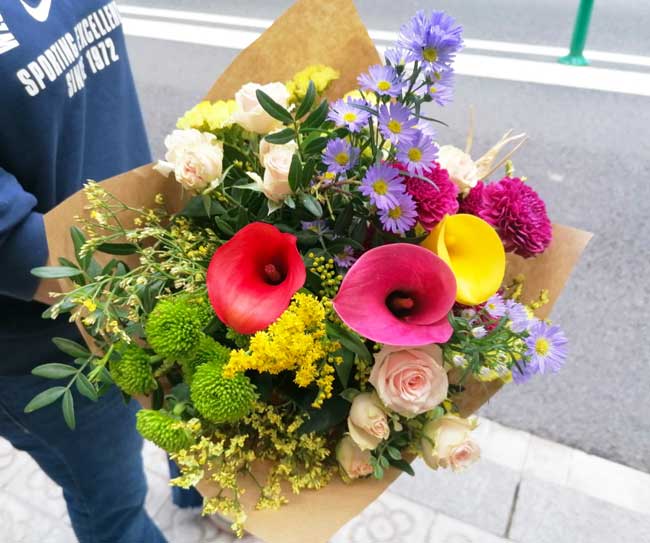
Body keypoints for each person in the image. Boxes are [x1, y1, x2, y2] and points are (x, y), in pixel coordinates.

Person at [0, 2, 198, 541]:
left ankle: (200, 492)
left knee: (192, 407)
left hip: (144, 253)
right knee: (115, 504)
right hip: (49, 340)